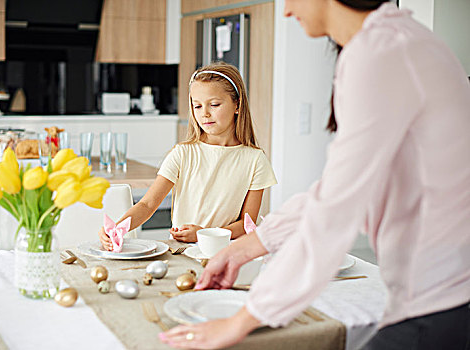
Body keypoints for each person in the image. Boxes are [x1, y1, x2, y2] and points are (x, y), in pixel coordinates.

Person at [159, 1, 470, 349]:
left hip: (441, 299)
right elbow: (333, 190)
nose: (287, 11)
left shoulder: (381, 56)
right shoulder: (393, 44)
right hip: (435, 294)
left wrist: (245, 319)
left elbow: (335, 211)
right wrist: (245, 248)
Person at [99, 62, 277, 248]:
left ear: (237, 105)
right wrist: (117, 228)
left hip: (222, 252)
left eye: (214, 104)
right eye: (197, 106)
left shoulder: (255, 160)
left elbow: (246, 224)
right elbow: (147, 205)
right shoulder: (182, 154)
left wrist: (203, 235)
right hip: (180, 251)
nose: (205, 114)